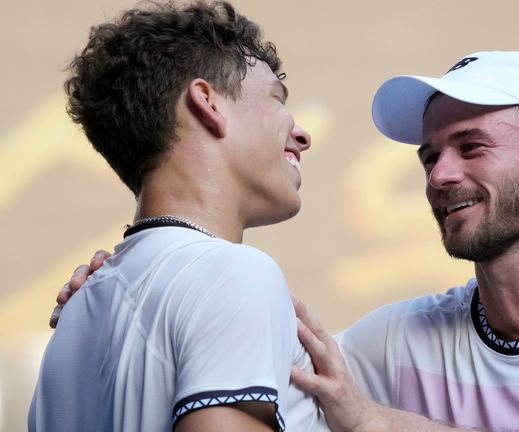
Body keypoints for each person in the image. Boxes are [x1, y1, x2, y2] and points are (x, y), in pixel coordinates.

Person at [54, 51, 519, 431]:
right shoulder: (387, 343)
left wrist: (375, 424)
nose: (439, 174)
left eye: (470, 147)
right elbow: (222, 362)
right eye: (429, 155)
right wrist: (124, 295)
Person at [29, 2, 324, 431]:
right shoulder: (233, 274)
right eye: (276, 99)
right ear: (208, 102)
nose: (302, 134)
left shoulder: (73, 320)